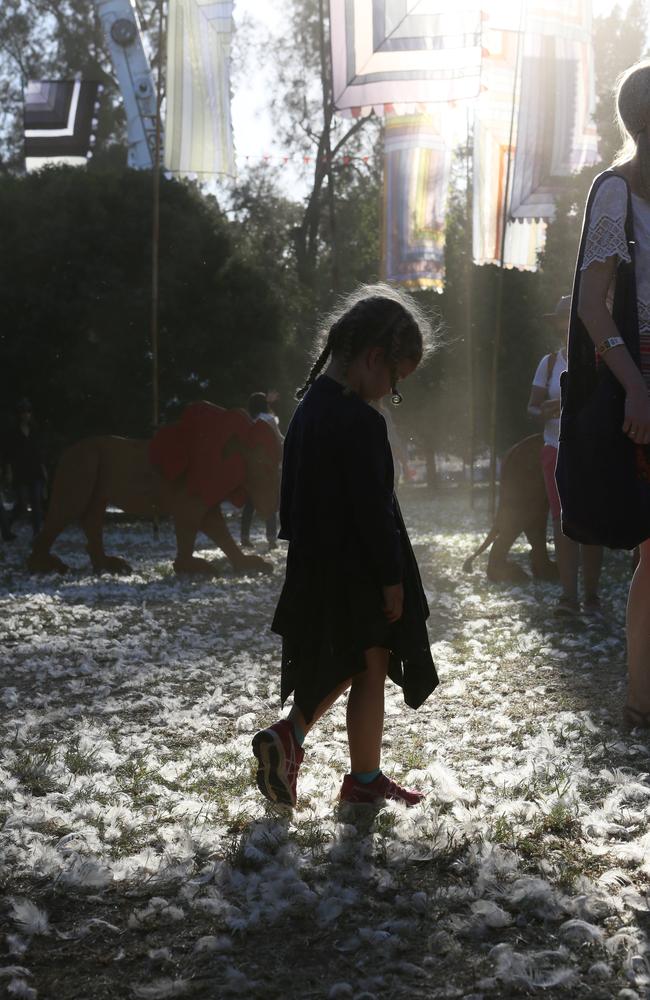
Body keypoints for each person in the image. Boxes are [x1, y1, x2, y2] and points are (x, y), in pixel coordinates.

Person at [251, 284, 439, 808]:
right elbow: (374, 510)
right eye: (395, 380)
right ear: (374, 358)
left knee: (360, 664)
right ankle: (297, 739)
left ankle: (362, 776)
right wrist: (391, 578)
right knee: (363, 663)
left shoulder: (309, 407)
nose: (389, 393)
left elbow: (293, 498)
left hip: (318, 560)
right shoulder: (360, 420)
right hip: (360, 569)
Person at [573, 60, 650, 728]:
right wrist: (634, 387)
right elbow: (592, 306)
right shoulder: (616, 193)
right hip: (642, 363)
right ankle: (639, 700)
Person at [527, 296, 604, 618]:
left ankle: (591, 597)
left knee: (592, 522)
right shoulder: (548, 363)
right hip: (555, 448)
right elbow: (530, 408)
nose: (568, 326)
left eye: (573, 320)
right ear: (558, 325)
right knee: (561, 522)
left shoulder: (601, 360)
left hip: (592, 449)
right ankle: (568, 598)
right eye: (563, 321)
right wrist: (545, 409)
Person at [240, 392, 283, 550]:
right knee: (269, 501)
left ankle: (244, 537)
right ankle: (271, 538)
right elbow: (277, 441)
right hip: (267, 467)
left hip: (251, 469)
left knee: (250, 503)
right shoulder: (269, 419)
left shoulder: (248, 421)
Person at [7, 398, 47, 537]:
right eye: (23, 411)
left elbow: (39, 451)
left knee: (36, 503)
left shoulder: (35, 430)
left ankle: (37, 534)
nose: (26, 414)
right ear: (18, 414)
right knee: (22, 505)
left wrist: (43, 468)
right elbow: (9, 454)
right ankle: (6, 527)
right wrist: (9, 471)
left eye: (28, 411)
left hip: (35, 470)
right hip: (20, 472)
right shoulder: (13, 432)